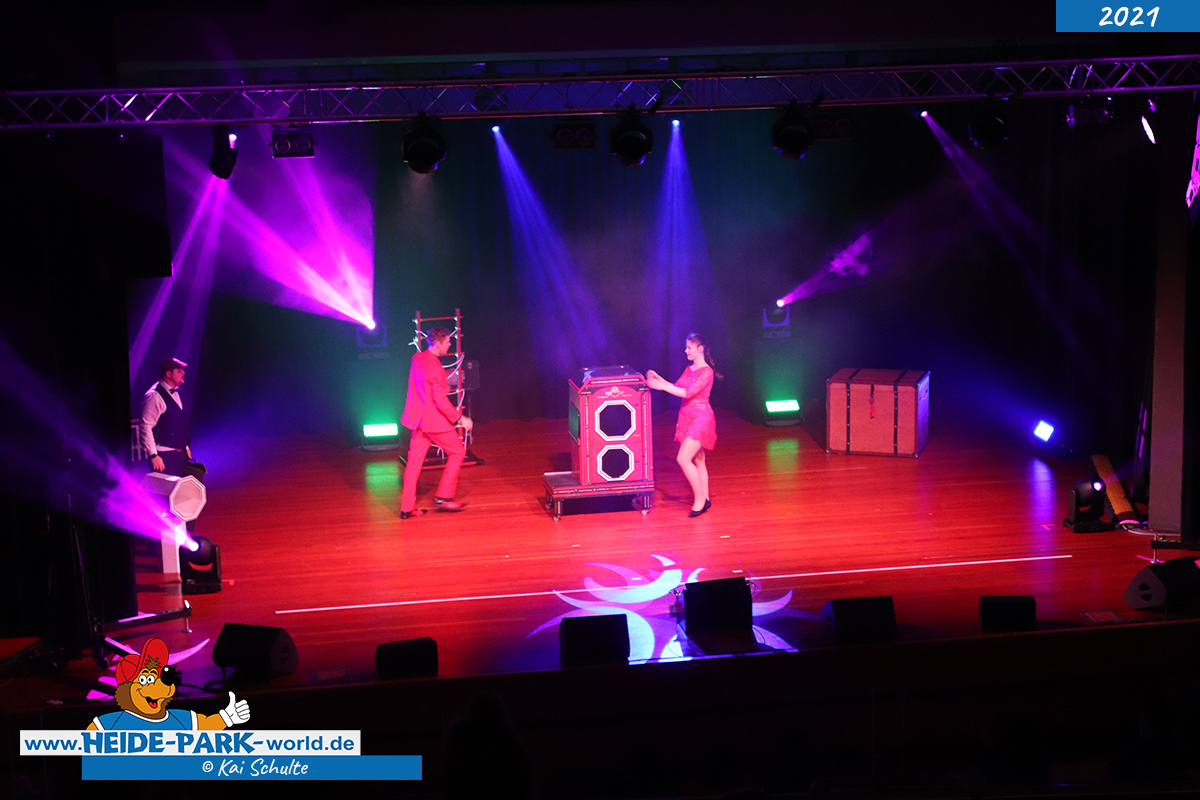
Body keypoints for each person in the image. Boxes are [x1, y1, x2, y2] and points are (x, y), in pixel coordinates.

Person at [400, 328, 473, 519]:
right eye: (447, 342)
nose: (450, 344)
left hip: (418, 419)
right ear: (438, 343)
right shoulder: (437, 369)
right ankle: (444, 497)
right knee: (458, 452)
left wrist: (442, 384)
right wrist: (461, 418)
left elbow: (422, 385)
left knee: (414, 463)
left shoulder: (417, 358)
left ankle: (407, 508)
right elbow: (440, 401)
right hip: (433, 421)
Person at [645, 333, 720, 518]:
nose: (686, 350)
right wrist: (659, 380)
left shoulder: (707, 372)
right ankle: (705, 497)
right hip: (687, 418)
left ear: (700, 349)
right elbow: (678, 387)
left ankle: (700, 499)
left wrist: (662, 386)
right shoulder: (689, 369)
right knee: (698, 459)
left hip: (701, 418)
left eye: (689, 347)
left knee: (683, 458)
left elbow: (688, 393)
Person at [140, 357, 193, 477]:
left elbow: (179, 424)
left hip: (180, 455)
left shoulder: (179, 393)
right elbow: (146, 426)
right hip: (164, 457)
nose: (183, 373)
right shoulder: (154, 396)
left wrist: (185, 446)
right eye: (179, 371)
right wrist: (153, 455)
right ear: (169, 374)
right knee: (165, 489)